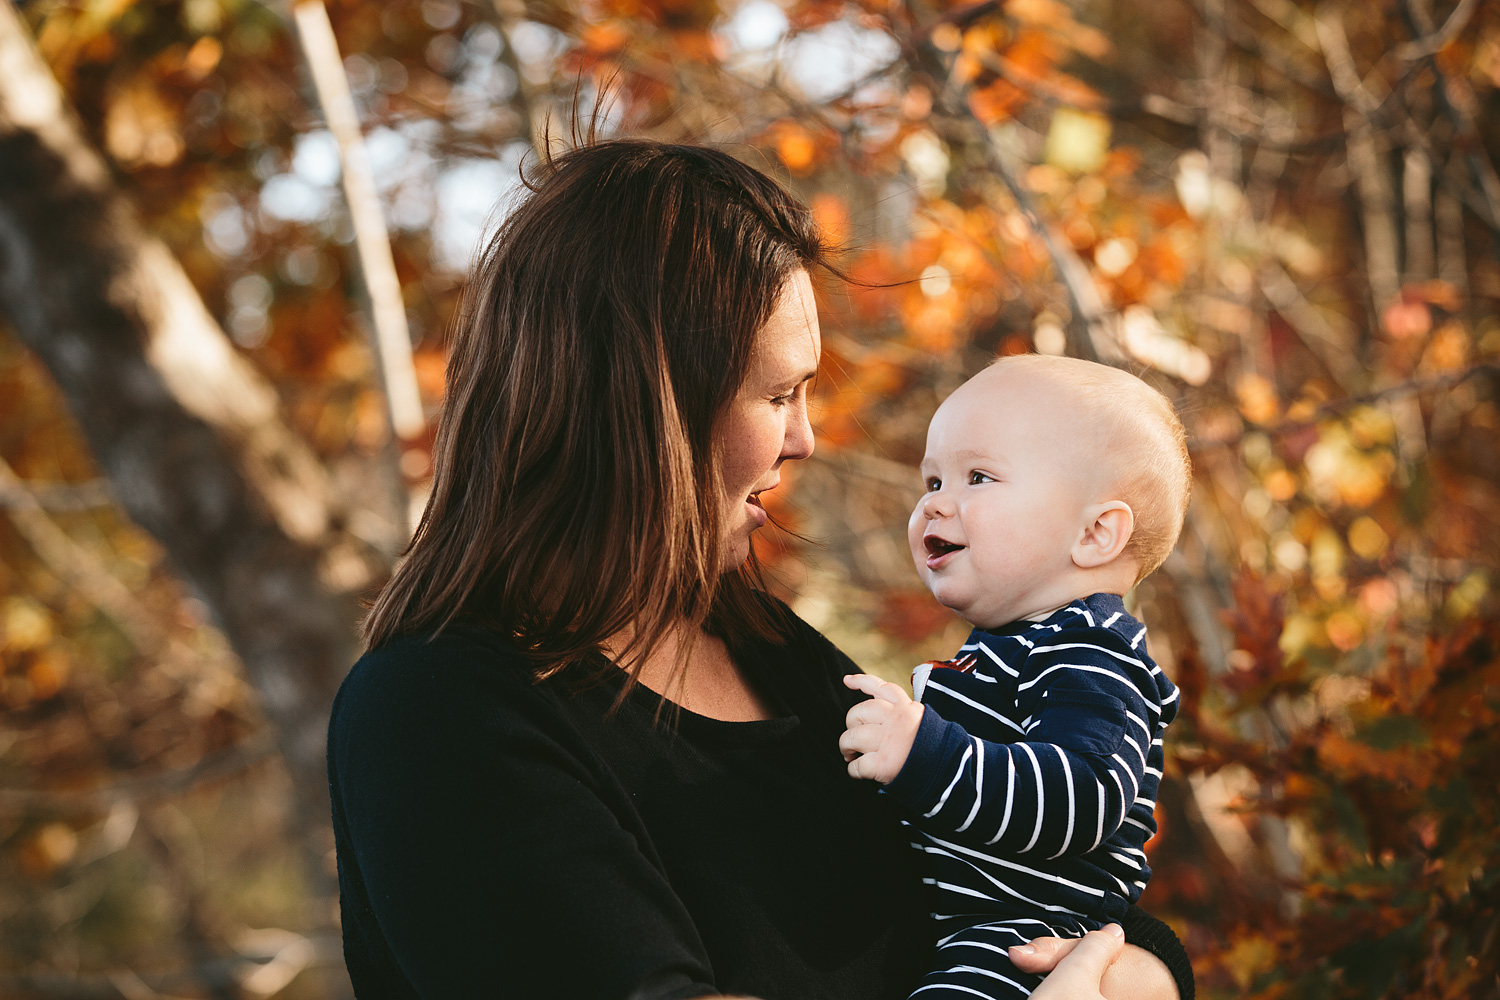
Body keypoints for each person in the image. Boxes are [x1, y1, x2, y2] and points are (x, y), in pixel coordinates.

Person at [326, 138, 1193, 999]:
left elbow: (1047, 889)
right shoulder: (437, 714)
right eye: (778, 395)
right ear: (645, 403)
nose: (805, 439)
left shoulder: (774, 654)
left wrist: (1141, 977)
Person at [838, 356, 1192, 1000]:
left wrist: (924, 752)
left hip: (1026, 946)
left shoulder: (1091, 649)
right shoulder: (1010, 646)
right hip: (968, 933)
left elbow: (1081, 795)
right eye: (933, 480)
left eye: (976, 477)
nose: (934, 504)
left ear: (1095, 533)